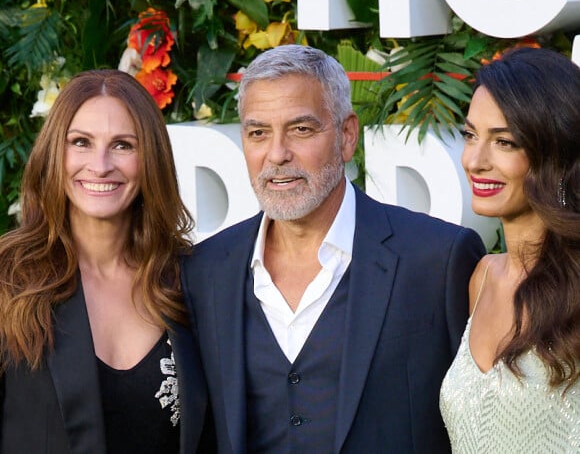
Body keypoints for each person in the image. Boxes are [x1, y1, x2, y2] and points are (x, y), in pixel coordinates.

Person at [181, 44, 486, 453]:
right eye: (258, 133)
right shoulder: (205, 272)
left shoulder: (439, 260)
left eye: (301, 129)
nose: (277, 154)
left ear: (346, 136)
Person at [0, 70, 213, 453]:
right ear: (54, 153)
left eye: (122, 145)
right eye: (81, 142)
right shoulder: (8, 280)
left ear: (151, 157)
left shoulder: (191, 281)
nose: (100, 165)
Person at [440, 47, 580, 452]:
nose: (475, 161)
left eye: (504, 142)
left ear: (554, 151)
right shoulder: (483, 277)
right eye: (470, 135)